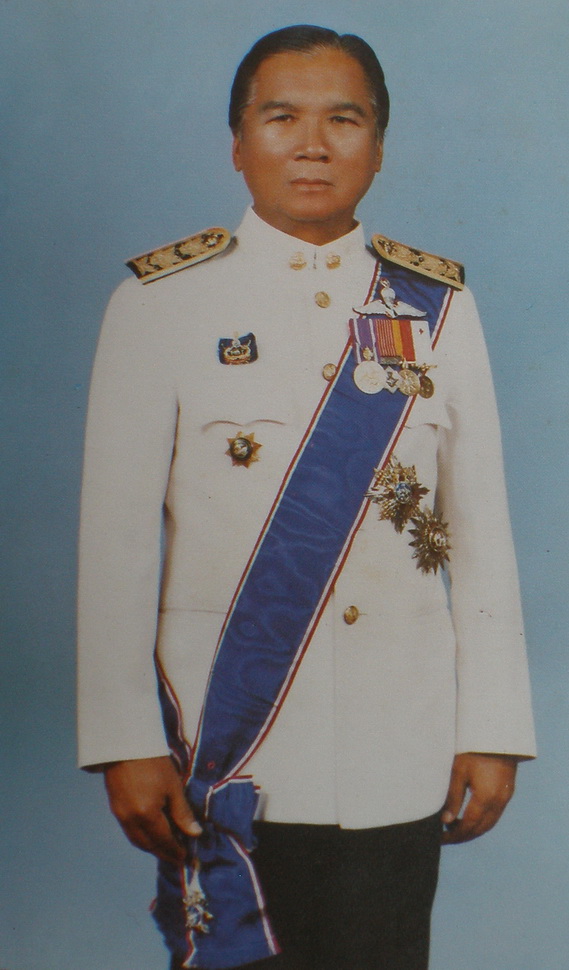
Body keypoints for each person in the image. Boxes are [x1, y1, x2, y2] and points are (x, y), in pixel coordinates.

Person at [78, 25, 536, 970]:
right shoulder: (159, 303)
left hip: (397, 746)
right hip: (230, 749)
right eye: (282, 117)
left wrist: (494, 728)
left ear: (380, 145)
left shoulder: (439, 308)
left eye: (345, 119)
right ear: (237, 143)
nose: (314, 144)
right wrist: (123, 739)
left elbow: (482, 534)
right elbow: (113, 544)